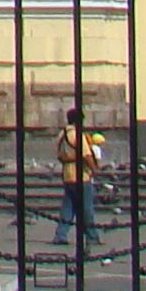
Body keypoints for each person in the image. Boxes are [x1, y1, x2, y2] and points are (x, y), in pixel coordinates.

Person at [53, 108, 102, 254]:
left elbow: (60, 155)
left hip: (67, 175)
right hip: (81, 175)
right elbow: (86, 155)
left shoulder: (61, 135)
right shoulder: (77, 135)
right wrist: (94, 169)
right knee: (87, 207)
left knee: (68, 207)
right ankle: (92, 236)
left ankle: (60, 234)